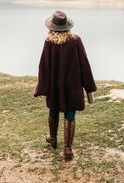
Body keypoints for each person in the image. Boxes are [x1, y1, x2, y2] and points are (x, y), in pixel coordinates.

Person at [34, 11, 97, 161]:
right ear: (67, 26)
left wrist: (42, 87)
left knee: (53, 111)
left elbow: (44, 66)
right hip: (72, 85)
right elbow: (84, 64)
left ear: (52, 27)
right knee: (70, 115)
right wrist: (89, 87)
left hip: (55, 86)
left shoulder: (49, 42)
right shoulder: (76, 41)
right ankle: (68, 149)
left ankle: (53, 139)